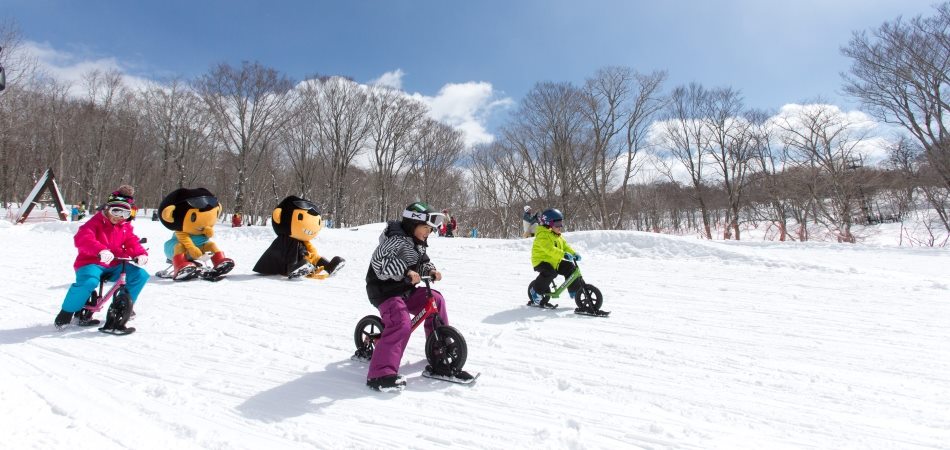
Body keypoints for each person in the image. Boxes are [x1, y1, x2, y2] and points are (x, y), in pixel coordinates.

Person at [364, 201, 473, 392]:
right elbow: (379, 264)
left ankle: (438, 349)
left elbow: (423, 262)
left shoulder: (418, 243)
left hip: (405, 290)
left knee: (436, 300)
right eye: (425, 228)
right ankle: (380, 374)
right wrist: (406, 271)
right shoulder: (395, 239)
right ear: (412, 224)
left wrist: (431, 270)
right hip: (384, 291)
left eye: (430, 230)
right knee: (401, 322)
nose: (428, 233)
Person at [54, 185, 150, 331]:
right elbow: (83, 239)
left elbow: (131, 241)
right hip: (91, 262)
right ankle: (66, 312)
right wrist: (100, 250)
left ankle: (122, 306)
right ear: (107, 209)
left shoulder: (124, 227)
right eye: (116, 212)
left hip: (115, 263)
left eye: (125, 214)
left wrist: (140, 254)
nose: (119, 217)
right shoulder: (94, 223)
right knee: (89, 282)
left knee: (140, 275)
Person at [528, 208, 583, 307]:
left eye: (561, 223)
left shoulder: (557, 235)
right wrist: (563, 255)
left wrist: (574, 253)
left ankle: (575, 291)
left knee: (570, 267)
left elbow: (565, 246)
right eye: (557, 224)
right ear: (549, 224)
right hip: (541, 261)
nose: (560, 226)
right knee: (550, 272)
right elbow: (549, 249)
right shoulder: (542, 235)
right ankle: (535, 291)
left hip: (554, 261)